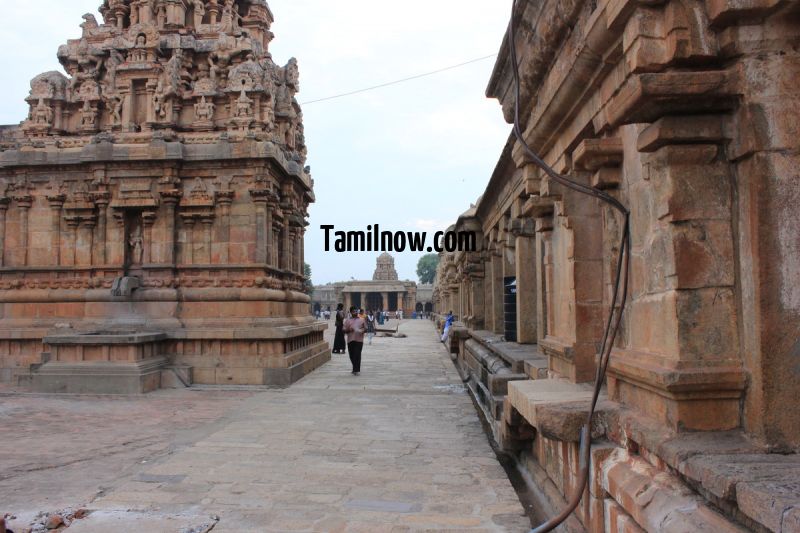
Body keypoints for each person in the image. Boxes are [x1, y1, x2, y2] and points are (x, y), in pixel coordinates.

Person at [343, 306, 366, 375]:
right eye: (353, 311)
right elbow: (343, 330)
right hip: (350, 340)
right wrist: (349, 330)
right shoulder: (347, 320)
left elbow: (366, 328)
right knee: (351, 355)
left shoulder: (362, 320)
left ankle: (356, 369)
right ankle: (355, 367)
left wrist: (362, 330)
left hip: (359, 340)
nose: (355, 313)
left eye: (356, 311)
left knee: (357, 354)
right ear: (351, 312)